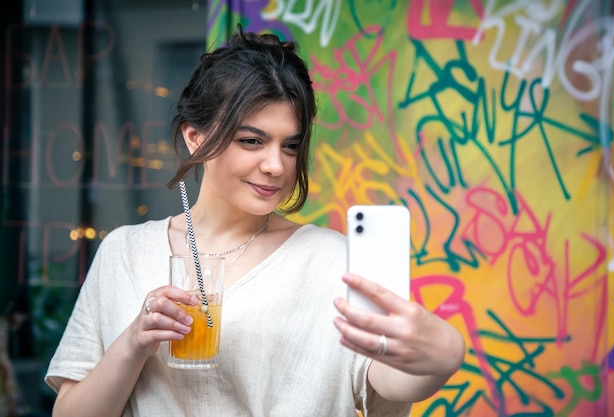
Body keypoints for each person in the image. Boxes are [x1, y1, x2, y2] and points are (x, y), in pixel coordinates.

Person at [44, 27, 465, 417]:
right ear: (196, 137)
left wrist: (442, 356)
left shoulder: (330, 260)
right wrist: (135, 342)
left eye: (290, 146)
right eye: (252, 140)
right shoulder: (124, 251)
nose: (275, 166)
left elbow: (388, 381)